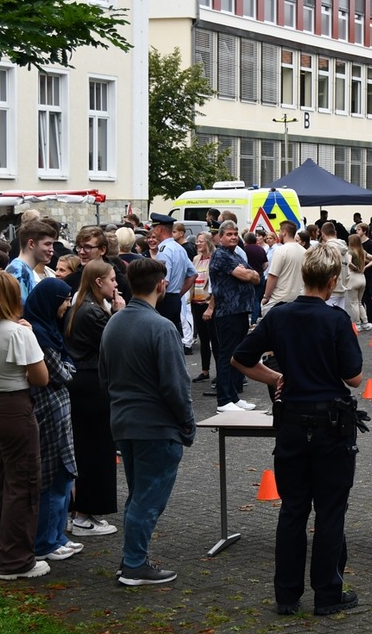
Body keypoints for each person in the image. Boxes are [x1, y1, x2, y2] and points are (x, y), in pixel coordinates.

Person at [232, 244, 364, 616]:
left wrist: (278, 377)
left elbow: (240, 359)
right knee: (330, 510)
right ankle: (327, 594)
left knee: (292, 510)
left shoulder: (278, 316)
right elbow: (354, 378)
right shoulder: (337, 320)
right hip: (330, 425)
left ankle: (286, 595)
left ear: (305, 276)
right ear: (333, 281)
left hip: (290, 421)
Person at [99, 258, 196, 586]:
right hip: (156, 426)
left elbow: (104, 377)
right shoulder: (161, 327)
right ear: (161, 285)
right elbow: (176, 384)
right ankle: (134, 564)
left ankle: (132, 558)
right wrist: (187, 423)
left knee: (138, 494)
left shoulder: (113, 323)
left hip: (124, 422)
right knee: (147, 497)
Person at [0, 272, 51, 580]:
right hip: (14, 407)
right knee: (25, 483)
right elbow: (41, 378)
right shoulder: (19, 333)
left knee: (3, 482)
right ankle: (17, 560)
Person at [63, 260, 124, 538]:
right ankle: (85, 514)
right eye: (112, 279)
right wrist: (119, 315)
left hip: (84, 383)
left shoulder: (83, 308)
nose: (116, 284)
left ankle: (80, 510)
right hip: (91, 385)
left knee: (88, 449)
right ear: (98, 282)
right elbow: (115, 342)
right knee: (95, 450)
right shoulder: (92, 312)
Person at [23, 279, 83, 559]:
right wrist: (69, 369)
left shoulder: (50, 330)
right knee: (51, 475)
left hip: (59, 409)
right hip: (47, 411)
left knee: (63, 475)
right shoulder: (38, 334)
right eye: (64, 300)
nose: (68, 305)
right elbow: (63, 374)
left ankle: (57, 535)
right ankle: (45, 542)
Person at [205, 221, 260, 413]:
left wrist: (248, 273)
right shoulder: (221, 255)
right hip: (228, 312)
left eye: (236, 234)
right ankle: (223, 400)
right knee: (226, 355)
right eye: (229, 234)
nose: (234, 237)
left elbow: (256, 277)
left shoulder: (235, 255)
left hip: (240, 311)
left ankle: (234, 397)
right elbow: (246, 276)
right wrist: (247, 274)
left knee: (235, 354)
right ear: (220, 237)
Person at [261, 221, 306, 319]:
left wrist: (266, 297)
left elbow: (273, 276)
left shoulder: (281, 251)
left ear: (284, 232)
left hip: (280, 299)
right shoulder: (304, 252)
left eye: (280, 231)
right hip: (299, 297)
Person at [189, 232, 218, 383]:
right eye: (197, 242)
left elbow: (215, 284)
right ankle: (204, 371)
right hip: (196, 303)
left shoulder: (215, 258)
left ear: (208, 242)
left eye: (200, 241)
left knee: (215, 338)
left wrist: (211, 306)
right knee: (203, 339)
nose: (197, 244)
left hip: (208, 303)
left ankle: (220, 372)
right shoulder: (196, 258)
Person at [6, 220, 57, 302]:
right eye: (47, 244)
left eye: (52, 244)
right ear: (31, 244)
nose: (52, 250)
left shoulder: (23, 269)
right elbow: (20, 310)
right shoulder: (19, 271)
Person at [345, 233, 372, 330]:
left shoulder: (350, 252)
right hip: (362, 278)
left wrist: (355, 268)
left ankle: (357, 323)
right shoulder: (363, 251)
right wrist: (365, 267)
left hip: (353, 278)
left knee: (354, 302)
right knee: (360, 302)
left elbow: (349, 263)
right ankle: (365, 322)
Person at [321, 222, 350, 311]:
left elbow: (326, 269)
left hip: (330, 291)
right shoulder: (344, 248)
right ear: (335, 233)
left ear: (322, 234)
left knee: (328, 319)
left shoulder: (327, 248)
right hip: (342, 288)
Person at [243, 232, 268, 324]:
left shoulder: (244, 250)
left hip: (248, 277)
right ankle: (255, 318)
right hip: (260, 276)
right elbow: (266, 264)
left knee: (251, 298)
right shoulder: (261, 249)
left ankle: (252, 320)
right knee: (257, 297)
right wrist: (260, 271)